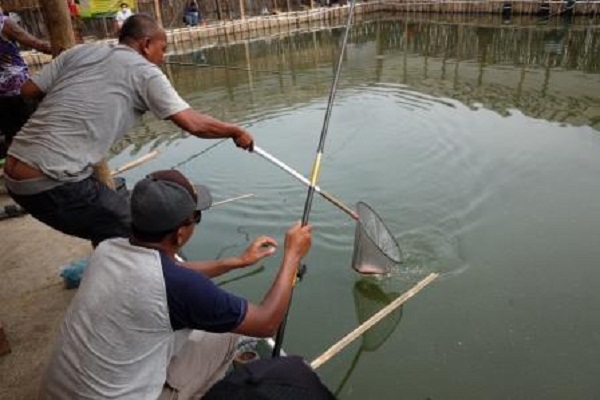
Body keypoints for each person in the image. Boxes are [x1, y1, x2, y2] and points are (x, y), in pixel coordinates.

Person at [38, 169, 313, 400]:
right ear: (181, 232)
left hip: (57, 393)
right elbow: (266, 323)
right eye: (196, 218)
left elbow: (174, 270)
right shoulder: (180, 286)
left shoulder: (108, 249)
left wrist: (237, 261)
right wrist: (292, 255)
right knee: (229, 334)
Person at [3, 14, 254, 246]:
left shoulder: (80, 52)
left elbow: (28, 90)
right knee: (142, 233)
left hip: (13, 169)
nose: (163, 56)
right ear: (146, 44)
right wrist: (235, 131)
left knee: (108, 215)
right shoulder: (146, 73)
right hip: (50, 182)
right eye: (162, 48)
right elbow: (194, 124)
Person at [0, 9, 52, 157]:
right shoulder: (4, 23)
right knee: (31, 129)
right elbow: (37, 44)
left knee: (11, 132)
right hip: (17, 87)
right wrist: (61, 49)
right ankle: (35, 162)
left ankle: (15, 164)